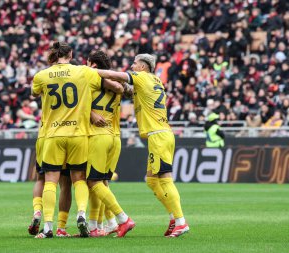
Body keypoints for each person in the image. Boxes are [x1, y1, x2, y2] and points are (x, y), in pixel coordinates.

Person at [31, 42, 123, 238]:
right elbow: (106, 77)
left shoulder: (41, 76)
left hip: (53, 134)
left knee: (50, 181)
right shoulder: (82, 71)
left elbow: (35, 92)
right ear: (71, 54)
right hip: (78, 134)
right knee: (79, 179)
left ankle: (47, 226)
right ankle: (82, 215)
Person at [96, 53, 189, 238]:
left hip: (158, 135)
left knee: (165, 179)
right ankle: (173, 217)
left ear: (143, 67)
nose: (132, 65)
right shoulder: (153, 81)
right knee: (151, 180)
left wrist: (90, 71)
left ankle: (181, 222)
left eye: (135, 63)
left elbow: (118, 75)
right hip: (161, 134)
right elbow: (129, 90)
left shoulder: (143, 77)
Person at [86, 50, 135, 238]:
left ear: (94, 65)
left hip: (99, 135)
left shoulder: (90, 80)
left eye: (88, 63)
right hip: (115, 136)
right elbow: (125, 90)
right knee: (103, 183)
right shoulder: (118, 85)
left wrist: (90, 114)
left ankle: (122, 219)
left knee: (94, 182)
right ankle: (107, 224)